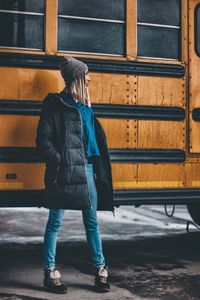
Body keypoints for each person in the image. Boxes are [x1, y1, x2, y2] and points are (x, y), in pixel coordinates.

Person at [36, 56, 114, 294]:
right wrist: (61, 160)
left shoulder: (87, 108)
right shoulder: (55, 104)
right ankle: (49, 272)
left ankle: (101, 269)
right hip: (63, 171)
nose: (90, 79)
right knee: (55, 222)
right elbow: (43, 140)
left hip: (87, 170)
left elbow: (92, 145)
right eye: (87, 74)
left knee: (91, 223)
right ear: (77, 79)